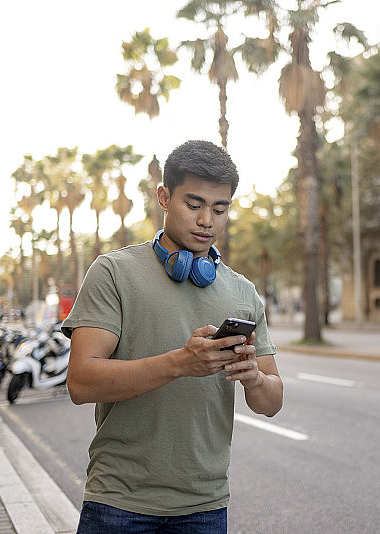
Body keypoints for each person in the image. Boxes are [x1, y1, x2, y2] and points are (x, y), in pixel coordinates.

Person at [62, 139, 283, 533]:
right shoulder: (113, 272)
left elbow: (272, 401)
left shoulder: (243, 292)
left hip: (206, 505)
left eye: (220, 208)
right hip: (118, 502)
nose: (207, 221)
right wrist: (180, 363)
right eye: (194, 204)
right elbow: (81, 382)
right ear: (164, 197)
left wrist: (255, 378)